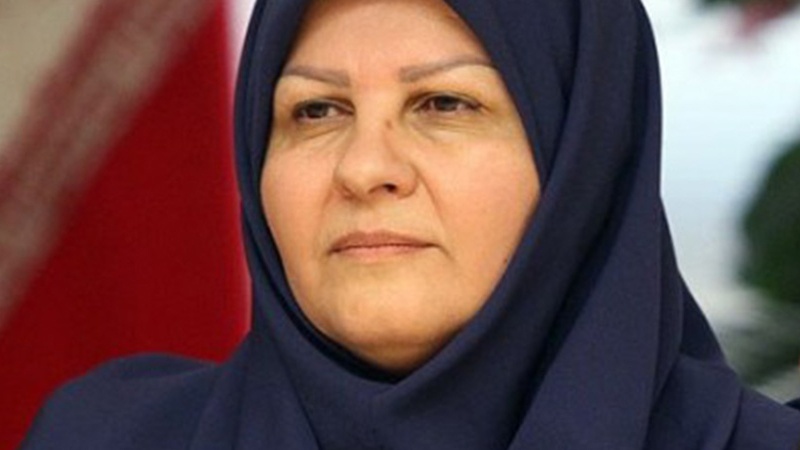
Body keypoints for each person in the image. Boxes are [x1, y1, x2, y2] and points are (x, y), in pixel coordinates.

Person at [22, 0, 800, 448]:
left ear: (585, 158)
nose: (365, 169)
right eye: (316, 111)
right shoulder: (104, 438)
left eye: (444, 104)